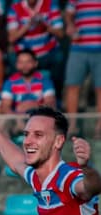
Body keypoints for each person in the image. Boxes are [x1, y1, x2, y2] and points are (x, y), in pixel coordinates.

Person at [63, 0, 101, 138]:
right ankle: (72, 125)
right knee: (72, 85)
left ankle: (99, 126)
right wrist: (70, 24)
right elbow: (68, 13)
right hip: (78, 47)